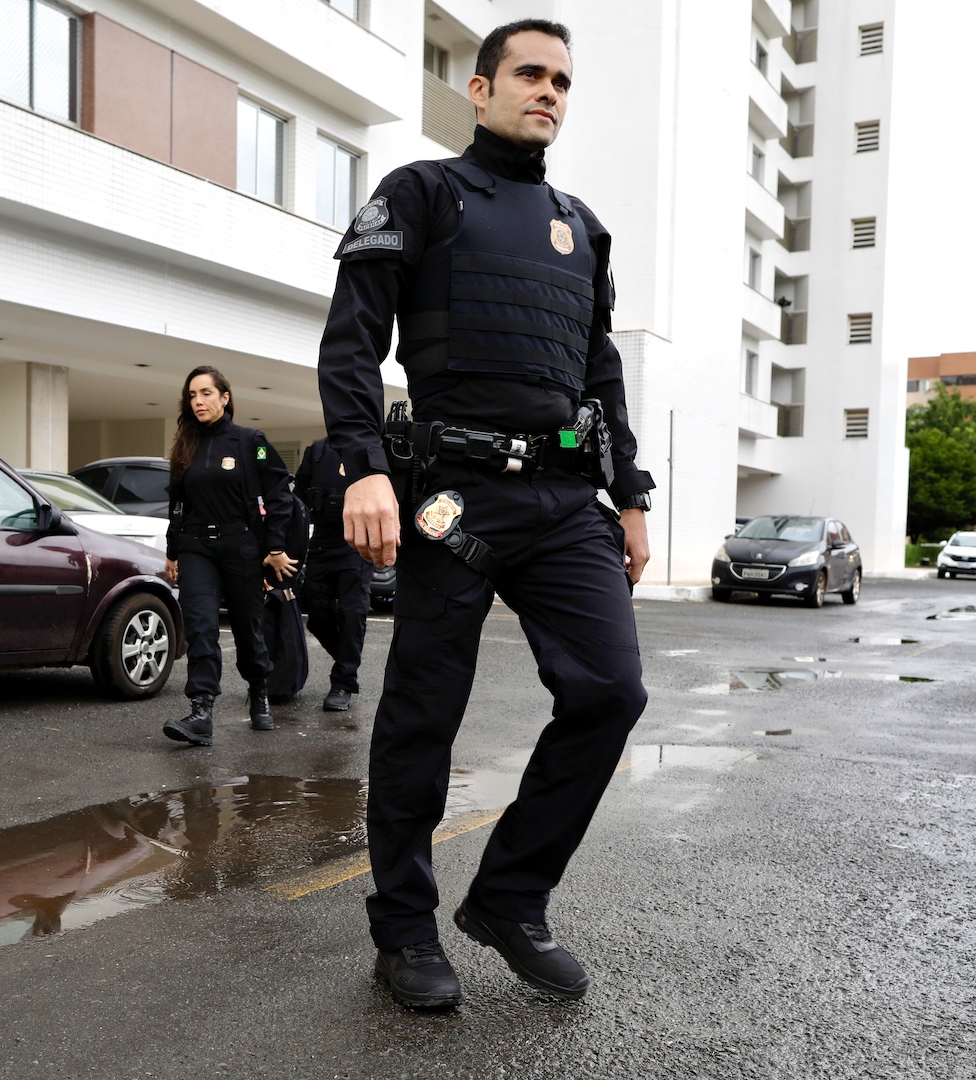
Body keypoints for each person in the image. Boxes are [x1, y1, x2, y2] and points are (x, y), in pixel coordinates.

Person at [317, 20, 655, 1008]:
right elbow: (351, 341)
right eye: (526, 74)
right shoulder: (420, 193)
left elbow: (597, 370)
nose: (545, 91)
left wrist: (627, 494)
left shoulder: (578, 225)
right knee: (423, 715)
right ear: (477, 88)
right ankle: (403, 930)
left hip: (560, 499)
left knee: (609, 692)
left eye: (559, 79)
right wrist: (361, 468)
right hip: (449, 499)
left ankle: (508, 898)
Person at [161, 366, 297, 746]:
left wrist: (274, 547)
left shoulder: (249, 441)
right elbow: (177, 505)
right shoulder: (185, 444)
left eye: (206, 393)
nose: (198, 401)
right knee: (202, 626)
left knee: (246, 626)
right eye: (192, 395)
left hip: (240, 546)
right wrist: (173, 551)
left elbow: (280, 494)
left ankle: (259, 690)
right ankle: (201, 710)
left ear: (225, 397)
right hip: (197, 548)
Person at [295, 437, 375, 712]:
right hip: (321, 543)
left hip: (356, 545)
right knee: (317, 618)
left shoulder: (373, 449)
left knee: (353, 613)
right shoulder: (317, 451)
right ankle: (347, 662)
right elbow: (299, 498)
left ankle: (343, 681)